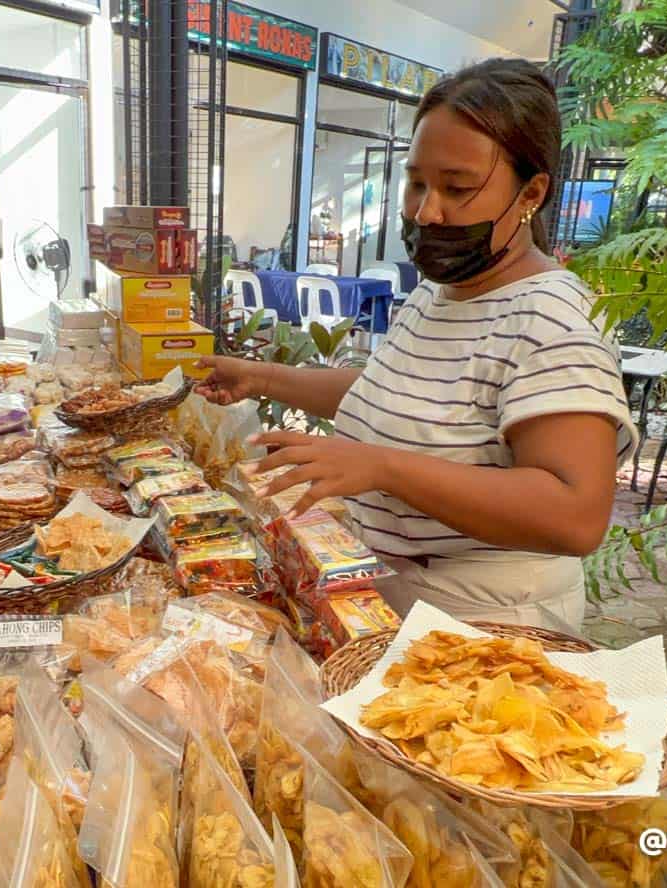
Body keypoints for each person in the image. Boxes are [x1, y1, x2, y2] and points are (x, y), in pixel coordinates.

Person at [195, 58, 637, 628]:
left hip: (487, 622)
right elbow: (398, 392)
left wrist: (382, 466)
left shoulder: (552, 317)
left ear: (531, 193)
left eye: (457, 188)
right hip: (401, 591)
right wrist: (262, 378)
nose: (427, 212)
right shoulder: (442, 290)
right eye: (416, 183)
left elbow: (575, 516)